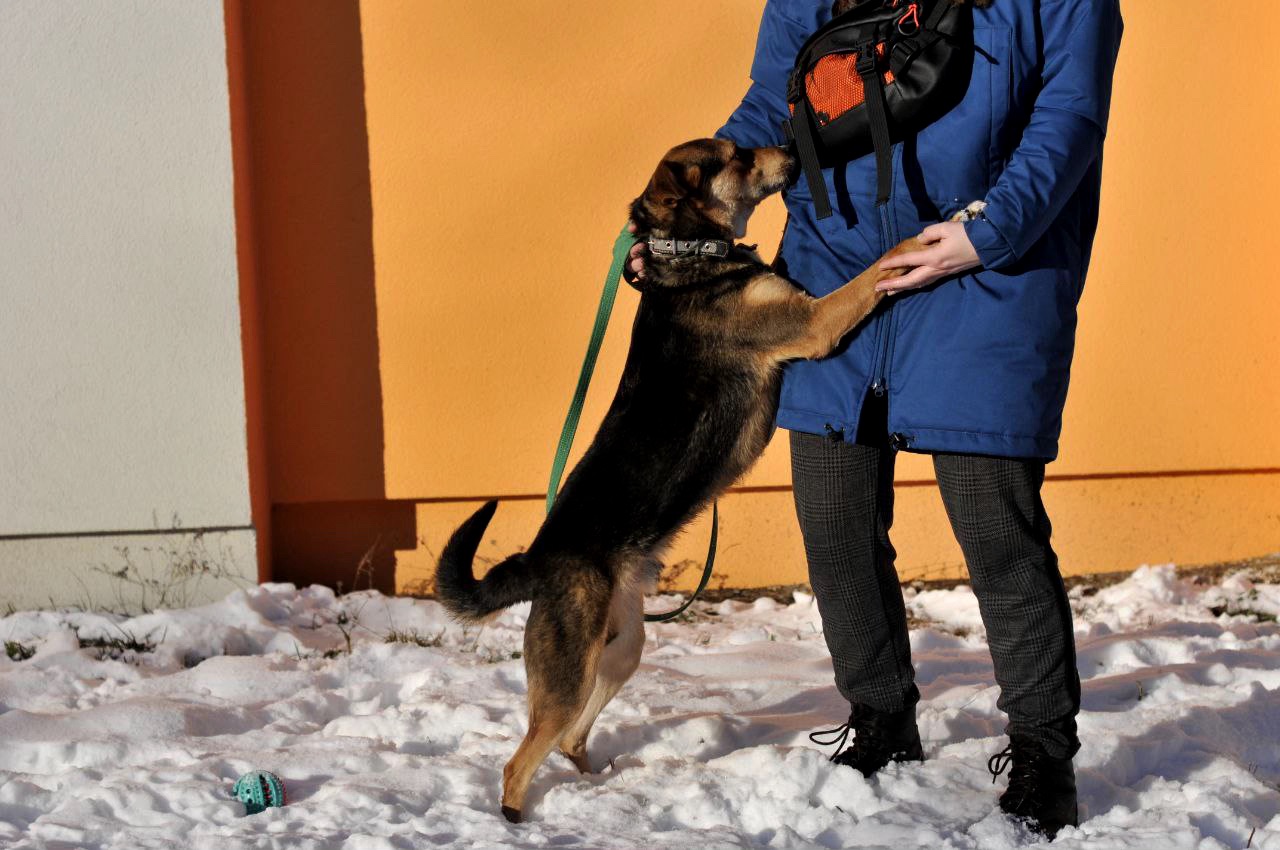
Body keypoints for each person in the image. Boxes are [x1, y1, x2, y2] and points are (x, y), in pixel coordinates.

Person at [627, 0, 1123, 837]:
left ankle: (1042, 751)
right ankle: (881, 717)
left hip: (985, 267)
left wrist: (987, 233)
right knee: (833, 521)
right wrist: (682, 227)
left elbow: (1069, 117)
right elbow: (772, 106)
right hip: (831, 270)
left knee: (995, 526)